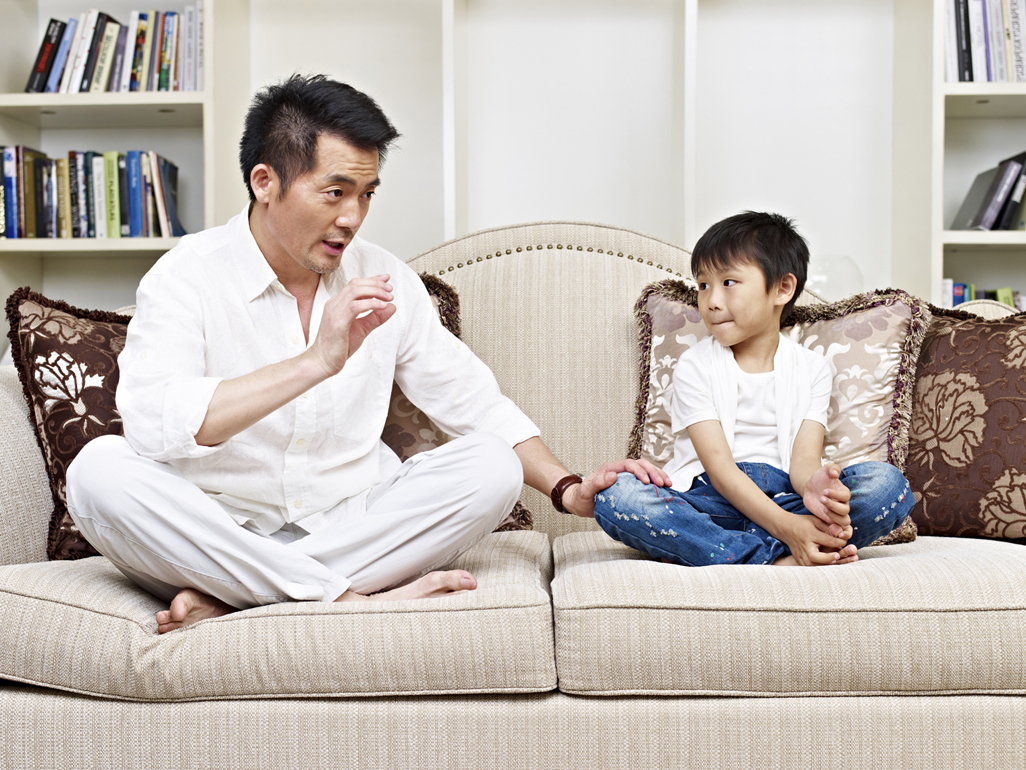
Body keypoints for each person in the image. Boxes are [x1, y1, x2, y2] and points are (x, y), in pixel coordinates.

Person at [65, 74, 663, 633]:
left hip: (349, 524)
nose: (351, 217)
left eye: (366, 194)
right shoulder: (186, 277)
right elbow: (154, 423)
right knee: (98, 474)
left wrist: (566, 489)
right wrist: (314, 363)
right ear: (264, 182)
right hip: (213, 529)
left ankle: (248, 599)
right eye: (334, 192)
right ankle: (343, 602)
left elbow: (474, 403)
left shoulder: (386, 277)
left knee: (491, 466)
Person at [592, 211, 913, 567]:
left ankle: (734, 551)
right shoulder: (695, 365)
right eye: (703, 285)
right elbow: (721, 471)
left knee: (887, 486)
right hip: (707, 502)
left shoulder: (812, 369)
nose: (711, 300)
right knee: (617, 496)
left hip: (785, 498)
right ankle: (779, 555)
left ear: (782, 288)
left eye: (728, 282)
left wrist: (816, 488)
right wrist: (789, 528)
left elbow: (803, 461)